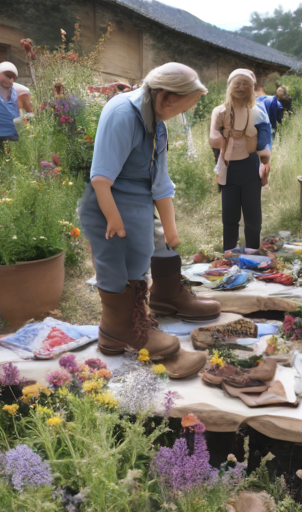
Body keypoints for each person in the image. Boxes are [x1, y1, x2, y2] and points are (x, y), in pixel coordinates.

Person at [78, 62, 212, 378]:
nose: (181, 115)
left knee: (139, 260)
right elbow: (101, 177)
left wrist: (170, 228)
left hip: (136, 203)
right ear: (166, 98)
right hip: (108, 205)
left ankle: (132, 322)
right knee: (116, 265)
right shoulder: (124, 114)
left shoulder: (156, 124)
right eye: (183, 108)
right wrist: (113, 218)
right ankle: (118, 329)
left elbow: (160, 181)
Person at [210, 69, 272, 252]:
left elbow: (265, 138)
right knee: (229, 215)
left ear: (252, 88)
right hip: (228, 167)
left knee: (253, 216)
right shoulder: (220, 111)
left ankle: (252, 252)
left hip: (251, 166)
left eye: (245, 83)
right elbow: (213, 138)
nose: (240, 87)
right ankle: (229, 252)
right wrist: (226, 137)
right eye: (236, 83)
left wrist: (265, 162)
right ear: (229, 86)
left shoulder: (258, 112)